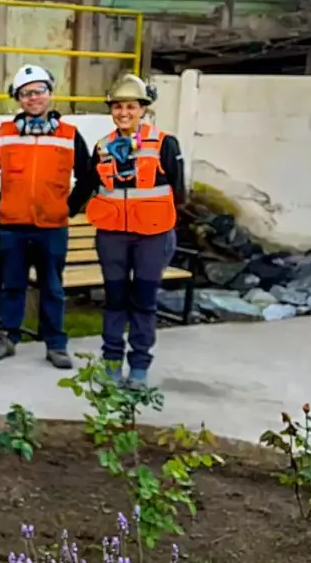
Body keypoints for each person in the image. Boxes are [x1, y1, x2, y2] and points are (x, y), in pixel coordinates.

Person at [0, 64, 96, 369]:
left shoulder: (69, 135)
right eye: (25, 94)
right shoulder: (4, 134)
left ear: (50, 93)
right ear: (18, 99)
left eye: (39, 91)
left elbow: (87, 177)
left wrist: (69, 208)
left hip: (52, 226)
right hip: (13, 226)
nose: (33, 98)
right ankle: (7, 337)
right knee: (11, 285)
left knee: (53, 287)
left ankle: (55, 344)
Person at [83, 74, 185, 389]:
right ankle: (112, 363)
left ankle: (139, 366)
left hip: (152, 236)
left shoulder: (165, 143)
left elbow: (179, 191)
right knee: (114, 300)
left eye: (130, 106)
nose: (123, 113)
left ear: (143, 109)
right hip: (112, 235)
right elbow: (90, 185)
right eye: (117, 107)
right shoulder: (102, 147)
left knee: (143, 301)